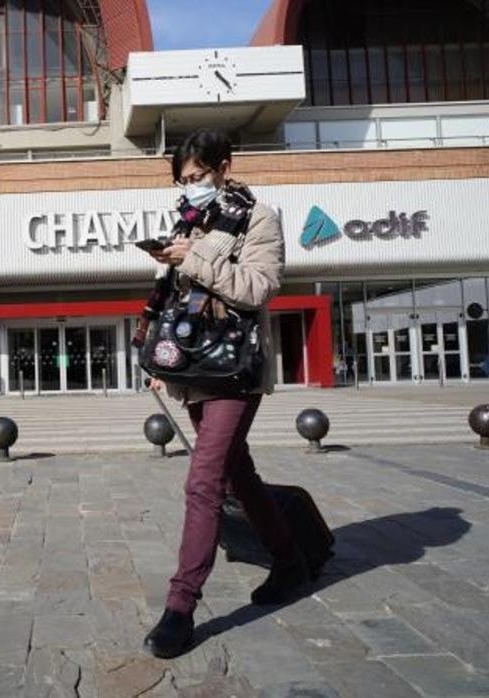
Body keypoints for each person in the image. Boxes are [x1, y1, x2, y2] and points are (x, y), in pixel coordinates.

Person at [140, 129, 304, 659]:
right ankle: (289, 559)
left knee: (204, 480)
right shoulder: (188, 222)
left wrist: (192, 260)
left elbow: (259, 287)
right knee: (237, 473)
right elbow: (173, 299)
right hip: (192, 369)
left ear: (223, 167)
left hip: (234, 368)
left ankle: (180, 606)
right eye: (184, 181)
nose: (191, 188)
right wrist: (160, 356)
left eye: (198, 177)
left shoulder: (258, 216)